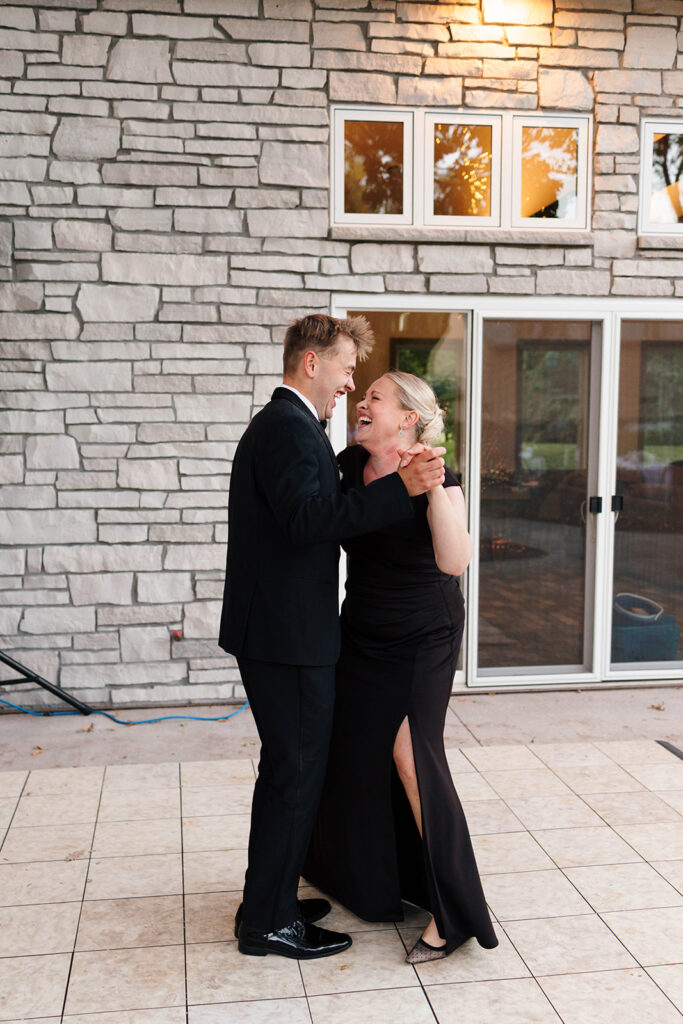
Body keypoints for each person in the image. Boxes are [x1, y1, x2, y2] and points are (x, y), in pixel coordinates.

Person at [218, 315, 446, 960]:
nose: (351, 384)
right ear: (311, 364)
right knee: (293, 775)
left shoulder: (290, 426)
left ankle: (270, 901)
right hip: (286, 637)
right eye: (347, 370)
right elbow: (306, 521)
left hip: (287, 631)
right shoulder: (287, 427)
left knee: (291, 771)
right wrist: (400, 488)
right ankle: (266, 923)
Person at [304, 371, 498, 962]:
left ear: (408, 418)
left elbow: (454, 560)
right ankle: (379, 884)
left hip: (421, 636)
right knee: (358, 751)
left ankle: (455, 910)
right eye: (361, 398)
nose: (361, 404)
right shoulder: (344, 466)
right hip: (361, 633)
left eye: (375, 399)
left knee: (413, 760)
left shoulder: (441, 474)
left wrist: (434, 486)